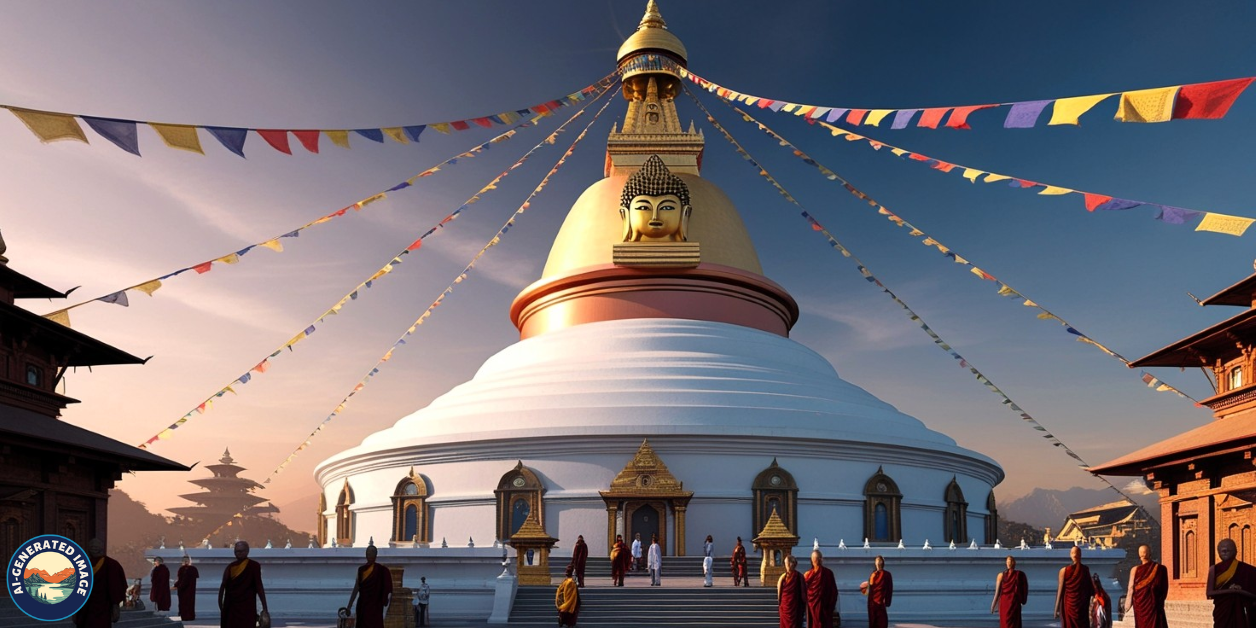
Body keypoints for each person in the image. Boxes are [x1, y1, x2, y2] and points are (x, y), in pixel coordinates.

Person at [74, 538, 126, 628]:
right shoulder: (112, 564)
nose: (93, 549)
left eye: (95, 547)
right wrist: (115, 604)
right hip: (92, 607)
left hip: (95, 607)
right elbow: (117, 587)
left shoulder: (83, 564)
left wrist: (115, 605)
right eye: (92, 547)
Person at [1206, 538, 1256, 628]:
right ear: (1218, 553)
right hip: (1222, 612)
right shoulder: (1214, 569)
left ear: (1235, 551)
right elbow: (1209, 593)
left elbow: (1254, 595)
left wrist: (1240, 591)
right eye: (1222, 550)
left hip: (1241, 611)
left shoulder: (1248, 570)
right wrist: (1231, 590)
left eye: (1228, 550)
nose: (1225, 552)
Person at [218, 540, 269, 628]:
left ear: (247, 551)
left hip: (247, 606)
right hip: (231, 606)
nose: (239, 554)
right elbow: (223, 586)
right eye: (237, 551)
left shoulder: (254, 566)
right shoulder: (230, 567)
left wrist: (264, 608)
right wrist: (221, 605)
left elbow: (259, 586)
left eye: (241, 551)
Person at [346, 545, 393, 628]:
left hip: (376, 606)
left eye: (371, 553)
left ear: (376, 555)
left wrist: (386, 601)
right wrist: (349, 606)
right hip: (363, 605)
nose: (369, 555)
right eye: (367, 553)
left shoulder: (382, 570)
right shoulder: (361, 570)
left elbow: (387, 588)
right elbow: (356, 587)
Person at [1123, 544, 1167, 628]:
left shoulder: (1134, 570)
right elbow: (1164, 590)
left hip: (1140, 606)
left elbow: (1131, 589)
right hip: (1154, 606)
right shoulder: (1161, 569)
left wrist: (1127, 607)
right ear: (1150, 553)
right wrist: (1159, 603)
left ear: (1139, 555)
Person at [1054, 546, 1094, 628]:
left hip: (1071, 605)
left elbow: (1060, 591)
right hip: (1081, 606)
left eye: (1074, 553)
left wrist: (1056, 609)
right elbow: (1091, 590)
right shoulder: (1085, 570)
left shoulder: (1064, 571)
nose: (1074, 555)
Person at [990, 555, 1028, 628]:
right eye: (1007, 562)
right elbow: (997, 593)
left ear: (1014, 563)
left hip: (1014, 603)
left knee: (1014, 624)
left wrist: (1022, 600)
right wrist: (993, 605)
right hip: (1005, 603)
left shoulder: (1019, 574)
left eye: (1010, 562)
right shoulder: (1001, 575)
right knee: (1005, 623)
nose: (1009, 563)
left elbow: (1023, 588)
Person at [804, 550, 839, 628]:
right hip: (824, 608)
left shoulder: (807, 575)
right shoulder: (828, 573)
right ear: (821, 559)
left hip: (816, 607)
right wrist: (831, 606)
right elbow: (834, 592)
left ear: (812, 560)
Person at [861, 555, 892, 628]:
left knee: (882, 623)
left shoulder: (887, 574)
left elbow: (889, 589)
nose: (878, 563)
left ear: (882, 563)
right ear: (875, 563)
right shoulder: (873, 574)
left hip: (880, 602)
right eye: (877, 561)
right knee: (873, 623)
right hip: (872, 603)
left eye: (879, 561)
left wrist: (887, 602)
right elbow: (869, 588)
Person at [777, 554, 805, 628]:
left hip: (796, 608)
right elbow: (779, 594)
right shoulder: (783, 577)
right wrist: (780, 604)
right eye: (786, 563)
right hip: (785, 607)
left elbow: (803, 595)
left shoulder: (799, 577)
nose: (787, 565)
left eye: (787, 563)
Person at [175, 555, 200, 621]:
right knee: (184, 603)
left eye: (187, 560)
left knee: (188, 603)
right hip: (185, 590)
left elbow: (183, 580)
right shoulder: (182, 569)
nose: (186, 561)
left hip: (189, 589)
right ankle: (186, 616)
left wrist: (178, 585)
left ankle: (188, 616)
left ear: (190, 561)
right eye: (184, 560)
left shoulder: (192, 569)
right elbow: (180, 579)